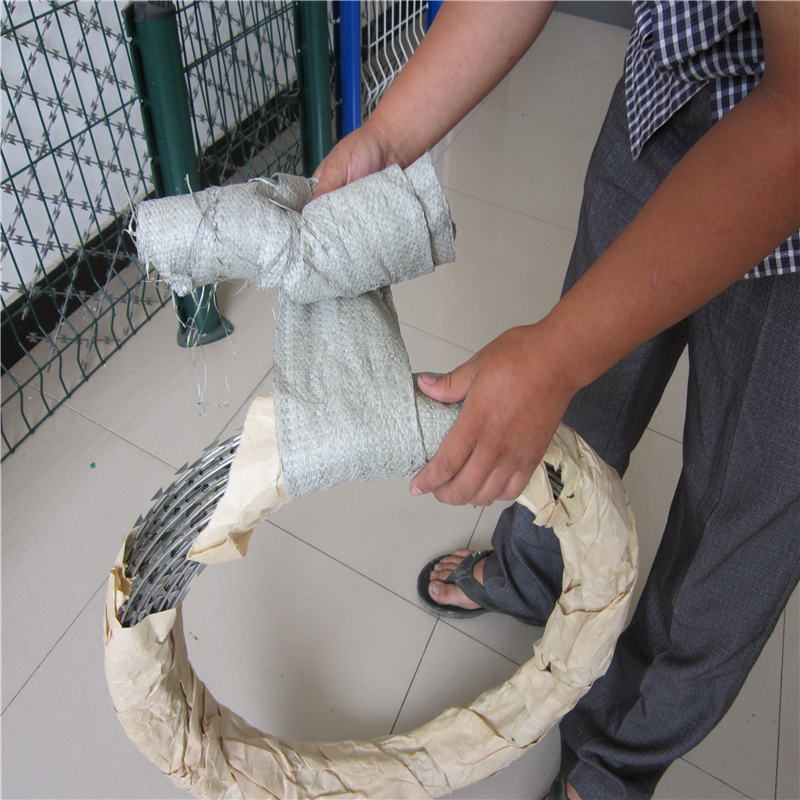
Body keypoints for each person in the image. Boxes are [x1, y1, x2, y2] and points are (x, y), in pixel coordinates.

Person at [312, 2, 799, 798]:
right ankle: (533, 571)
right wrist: (388, 138)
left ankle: (614, 763)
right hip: (669, 89)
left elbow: (794, 124)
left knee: (736, 519)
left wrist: (552, 357)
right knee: (585, 404)